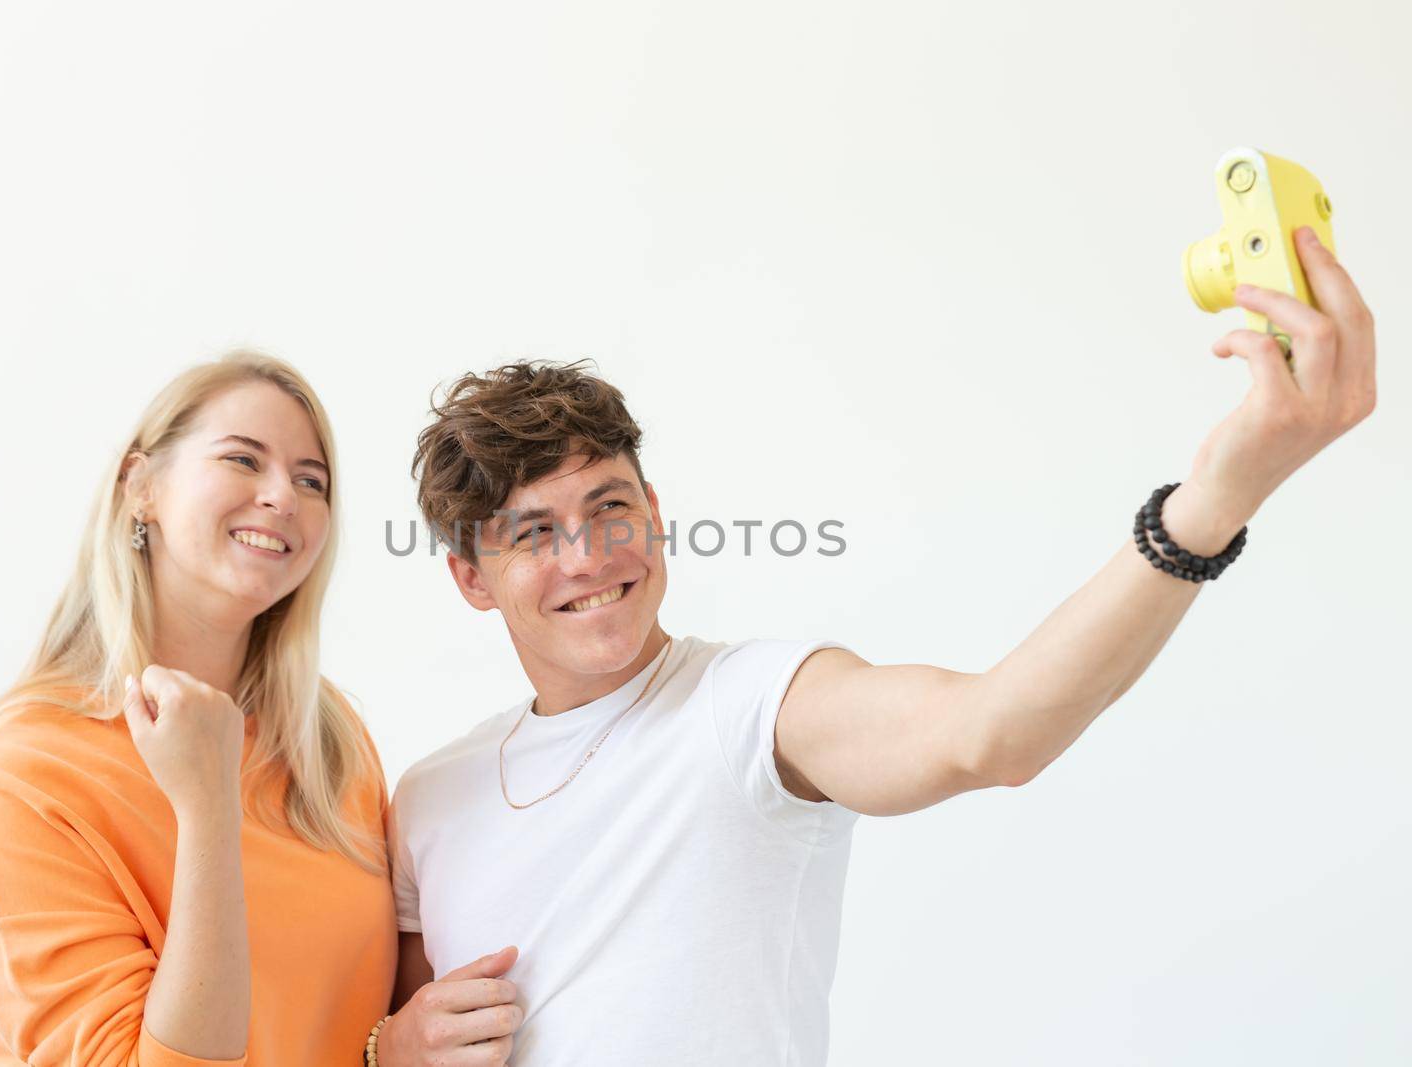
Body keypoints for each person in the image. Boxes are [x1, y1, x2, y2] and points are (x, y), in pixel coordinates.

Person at [382, 228, 1377, 1065]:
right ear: (473, 576)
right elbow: (387, 1031)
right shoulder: (431, 793)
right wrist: (389, 1048)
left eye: (608, 507)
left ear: (652, 512)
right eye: (533, 532)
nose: (589, 553)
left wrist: (1211, 504)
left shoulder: (753, 705)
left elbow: (989, 733)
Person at [0, 351, 520, 1066]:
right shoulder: (17, 776)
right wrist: (208, 809)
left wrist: (391, 1045)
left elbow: (362, 1026)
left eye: (311, 480)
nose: (283, 496)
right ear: (139, 485)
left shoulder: (329, 744)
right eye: (243, 459)